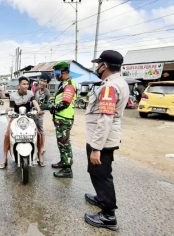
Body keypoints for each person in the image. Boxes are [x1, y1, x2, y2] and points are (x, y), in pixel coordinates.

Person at [84, 50, 129, 231]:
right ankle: (101, 198)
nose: (97, 67)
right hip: (103, 138)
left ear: (105, 66)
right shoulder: (118, 83)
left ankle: (108, 216)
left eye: (98, 64)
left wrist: (96, 148)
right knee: (97, 172)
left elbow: (105, 118)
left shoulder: (110, 86)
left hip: (101, 140)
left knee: (102, 175)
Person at [0, 76, 41, 169]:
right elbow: (12, 108)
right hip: (16, 117)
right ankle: (4, 158)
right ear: (19, 85)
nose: (26, 86)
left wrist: (38, 109)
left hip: (28, 117)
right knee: (7, 135)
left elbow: (34, 102)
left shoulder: (30, 93)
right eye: (23, 84)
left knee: (38, 134)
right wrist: (9, 111)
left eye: (27, 84)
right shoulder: (13, 95)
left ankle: (39, 155)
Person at [50, 61, 76, 178]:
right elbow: (59, 100)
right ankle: (63, 161)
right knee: (61, 143)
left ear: (64, 72)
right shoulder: (63, 84)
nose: (56, 75)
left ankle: (67, 170)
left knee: (65, 144)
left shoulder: (69, 84)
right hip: (60, 118)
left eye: (57, 72)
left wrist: (51, 107)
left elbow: (65, 103)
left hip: (65, 119)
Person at [33, 73, 51, 166]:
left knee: (41, 130)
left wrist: (41, 111)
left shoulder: (47, 92)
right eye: (41, 80)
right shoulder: (35, 89)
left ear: (47, 83)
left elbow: (47, 104)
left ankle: (42, 147)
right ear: (39, 80)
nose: (42, 82)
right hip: (33, 113)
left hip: (40, 114)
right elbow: (32, 100)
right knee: (33, 130)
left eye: (44, 81)